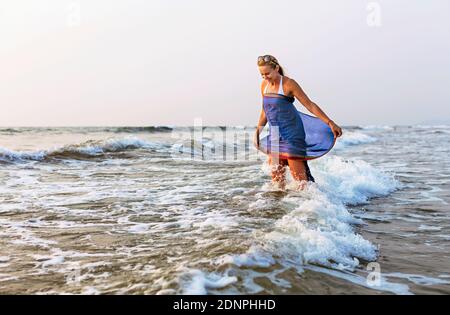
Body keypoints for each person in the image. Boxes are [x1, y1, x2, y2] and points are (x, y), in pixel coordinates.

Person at [254, 54, 343, 190]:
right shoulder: (264, 86)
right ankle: (281, 210)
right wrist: (257, 132)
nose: (265, 77)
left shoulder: (289, 84)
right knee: (277, 184)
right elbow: (265, 110)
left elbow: (310, 105)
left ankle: (315, 207)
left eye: (267, 73)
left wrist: (330, 122)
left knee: (302, 184)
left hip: (292, 135)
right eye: (262, 75)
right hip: (275, 136)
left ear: (276, 68)